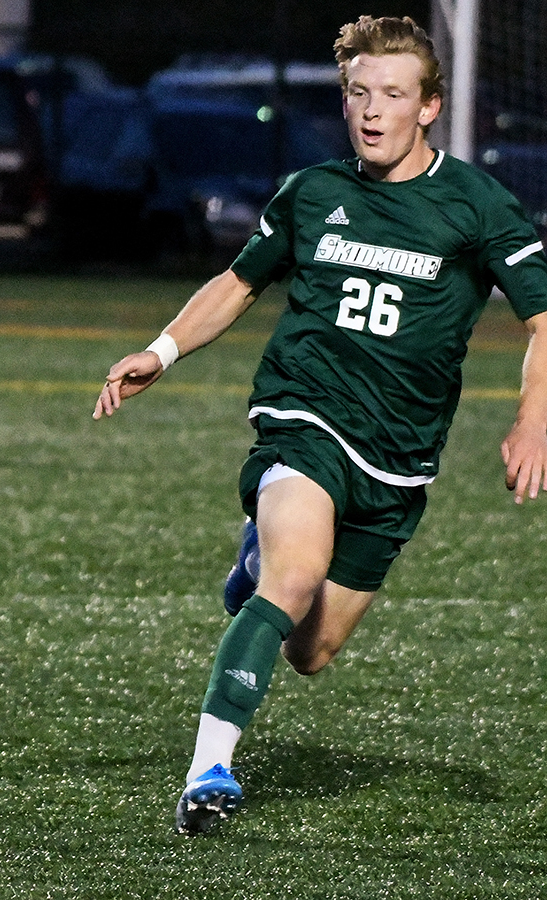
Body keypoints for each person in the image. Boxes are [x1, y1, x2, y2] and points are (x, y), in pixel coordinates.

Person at [94, 15, 547, 836]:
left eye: (394, 96)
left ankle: (258, 560)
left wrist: (533, 421)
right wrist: (160, 351)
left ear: (431, 107)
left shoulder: (476, 205)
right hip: (307, 419)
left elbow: (545, 318)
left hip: (400, 459)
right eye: (359, 94)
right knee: (294, 578)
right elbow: (239, 282)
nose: (373, 112)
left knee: (312, 651)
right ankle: (209, 771)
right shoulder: (313, 194)